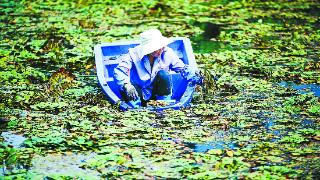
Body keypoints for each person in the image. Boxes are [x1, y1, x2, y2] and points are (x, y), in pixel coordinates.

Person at [114, 29, 201, 106]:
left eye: (161, 46)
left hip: (156, 91)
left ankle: (164, 102)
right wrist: (126, 85)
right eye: (156, 48)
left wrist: (196, 75)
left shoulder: (167, 52)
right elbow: (119, 71)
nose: (160, 49)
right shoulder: (133, 54)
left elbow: (182, 68)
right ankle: (137, 105)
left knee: (163, 74)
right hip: (137, 91)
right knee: (130, 87)